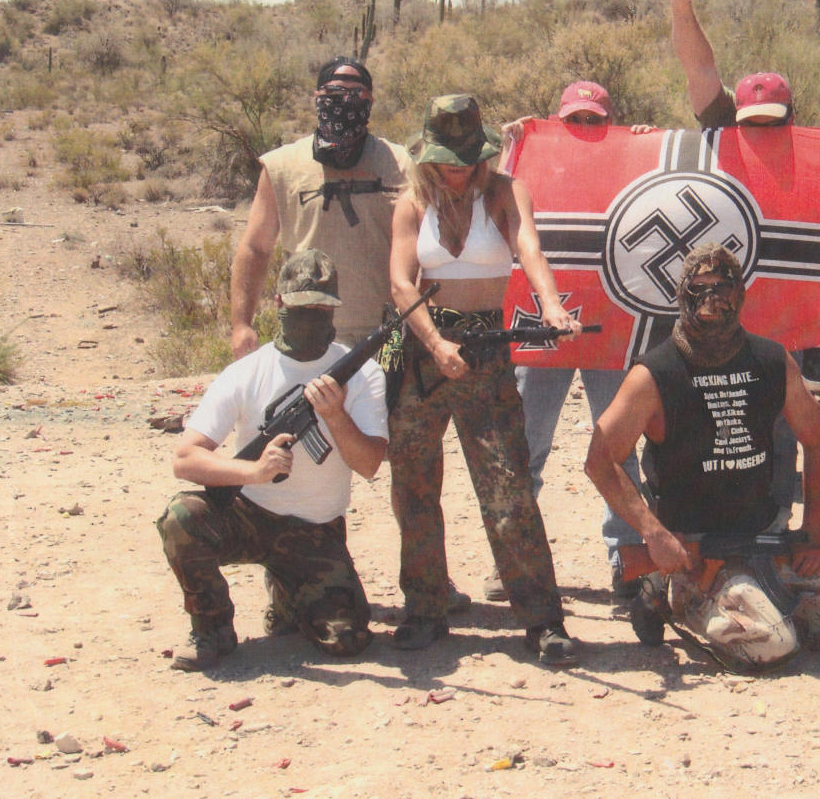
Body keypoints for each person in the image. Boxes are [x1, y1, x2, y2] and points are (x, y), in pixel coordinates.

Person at [229, 55, 470, 614]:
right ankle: (291, 590)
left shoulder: (401, 161)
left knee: (411, 465)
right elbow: (256, 247)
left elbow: (435, 231)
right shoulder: (283, 165)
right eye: (335, 92)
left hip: (390, 336)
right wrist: (242, 323)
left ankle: (426, 587)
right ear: (315, 97)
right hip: (310, 343)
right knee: (294, 463)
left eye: (358, 93)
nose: (345, 103)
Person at [584, 243, 820, 670]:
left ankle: (752, 601)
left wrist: (812, 530)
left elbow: (819, 440)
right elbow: (600, 460)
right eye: (700, 288)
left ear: (741, 294)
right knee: (769, 645)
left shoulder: (771, 361)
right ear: (682, 294)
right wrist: (655, 536)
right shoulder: (655, 373)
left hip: (765, 539)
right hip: (695, 551)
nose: (712, 298)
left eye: (722, 287)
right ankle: (670, 593)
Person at [386, 94, 579, 666]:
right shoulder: (410, 203)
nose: (458, 169)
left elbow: (529, 248)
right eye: (448, 158)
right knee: (415, 486)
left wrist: (549, 305)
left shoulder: (502, 191)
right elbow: (401, 284)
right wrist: (436, 343)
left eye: (467, 157)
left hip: (486, 347)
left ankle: (541, 619)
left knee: (508, 487)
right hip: (424, 348)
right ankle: (425, 607)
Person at [158, 250, 387, 671]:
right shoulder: (247, 372)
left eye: (321, 308)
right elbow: (185, 458)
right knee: (181, 516)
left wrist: (335, 416)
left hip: (315, 532)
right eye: (301, 307)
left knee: (348, 640)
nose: (311, 317)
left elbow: (370, 463)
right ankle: (212, 630)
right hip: (249, 514)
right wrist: (255, 471)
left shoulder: (364, 373)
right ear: (278, 303)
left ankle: (288, 593)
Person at [487, 80, 652, 603]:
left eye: (594, 120)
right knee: (526, 449)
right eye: (574, 120)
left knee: (618, 450)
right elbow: (479, 192)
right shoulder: (525, 161)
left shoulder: (632, 160)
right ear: (558, 121)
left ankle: (627, 558)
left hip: (610, 325)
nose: (584, 129)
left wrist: (649, 146)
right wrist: (511, 143)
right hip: (542, 325)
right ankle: (514, 563)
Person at [664, 0, 801, 518]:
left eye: (773, 123)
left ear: (792, 119)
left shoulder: (810, 154)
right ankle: (701, 532)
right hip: (716, 316)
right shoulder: (721, 127)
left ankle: (775, 530)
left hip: (781, 318)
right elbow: (699, 67)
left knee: (779, 424)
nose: (760, 132)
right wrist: (680, 6)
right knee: (704, 421)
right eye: (750, 122)